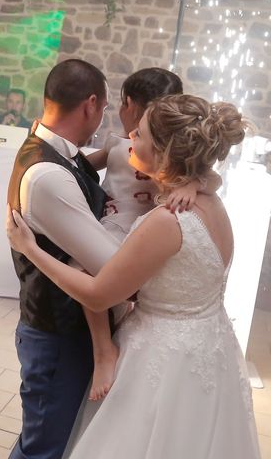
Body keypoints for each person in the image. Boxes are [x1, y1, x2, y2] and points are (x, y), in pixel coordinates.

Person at [7, 94, 261, 459]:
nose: (129, 136)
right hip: (208, 347)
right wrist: (195, 181)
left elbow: (98, 295)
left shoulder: (167, 220)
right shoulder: (211, 202)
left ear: (162, 152)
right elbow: (208, 178)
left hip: (160, 356)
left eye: (139, 135)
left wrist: (31, 248)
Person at [82, 67, 221, 401]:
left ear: (129, 104)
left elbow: (213, 179)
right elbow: (82, 163)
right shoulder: (118, 146)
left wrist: (191, 182)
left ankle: (104, 351)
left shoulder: (170, 156)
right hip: (117, 224)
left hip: (144, 230)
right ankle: (103, 346)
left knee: (89, 273)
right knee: (91, 271)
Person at [6, 59, 120, 459]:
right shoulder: (48, 176)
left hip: (60, 330)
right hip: (55, 335)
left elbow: (85, 167)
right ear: (90, 104)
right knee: (43, 449)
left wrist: (123, 155)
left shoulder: (56, 152)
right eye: (105, 109)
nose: (103, 118)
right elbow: (112, 266)